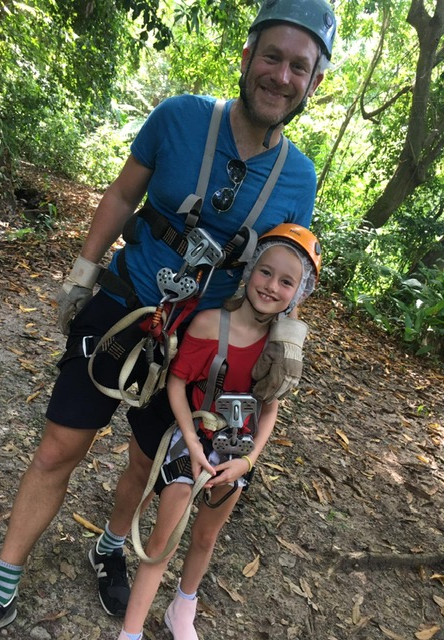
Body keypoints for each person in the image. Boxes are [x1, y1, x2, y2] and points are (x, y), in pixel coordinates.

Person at [0, 0, 336, 636]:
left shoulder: (298, 178)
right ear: (247, 58)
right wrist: (83, 273)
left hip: (197, 345)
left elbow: (288, 271)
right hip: (123, 306)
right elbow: (121, 193)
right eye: (271, 56)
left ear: (314, 82)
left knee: (144, 460)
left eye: (299, 66)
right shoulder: (180, 118)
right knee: (61, 446)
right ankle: (3, 584)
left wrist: (287, 348)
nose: (281, 75)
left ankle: (110, 546)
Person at [118, 223, 322, 640]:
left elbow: (269, 410)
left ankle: (183, 609)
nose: (271, 286)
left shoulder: (280, 348)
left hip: (236, 452)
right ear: (249, 271)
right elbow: (177, 382)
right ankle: (131, 632)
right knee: (164, 539)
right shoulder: (211, 323)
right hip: (190, 441)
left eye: (287, 282)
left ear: (298, 294)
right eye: (265, 272)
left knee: (206, 537)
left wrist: (248, 460)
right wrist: (191, 441)